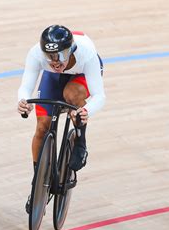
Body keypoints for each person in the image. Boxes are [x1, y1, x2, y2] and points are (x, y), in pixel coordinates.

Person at [17, 25, 105, 213]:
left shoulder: (86, 54)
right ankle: (38, 183)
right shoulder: (36, 54)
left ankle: (80, 144)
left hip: (81, 75)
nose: (55, 62)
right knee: (42, 127)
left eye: (60, 55)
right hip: (54, 79)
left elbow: (100, 96)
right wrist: (22, 102)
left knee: (71, 95)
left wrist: (86, 110)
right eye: (50, 57)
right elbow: (25, 87)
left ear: (71, 50)